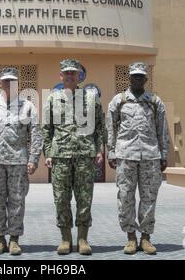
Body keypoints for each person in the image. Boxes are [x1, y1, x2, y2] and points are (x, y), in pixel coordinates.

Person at [0, 67, 42, 255]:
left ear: (17, 83)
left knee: (17, 201)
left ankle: (14, 239)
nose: (8, 84)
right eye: (5, 81)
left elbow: (36, 133)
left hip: (18, 161)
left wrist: (34, 159)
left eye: (12, 81)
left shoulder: (27, 106)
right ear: (1, 83)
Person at [106, 62, 170, 255]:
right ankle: (131, 237)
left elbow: (162, 130)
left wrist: (164, 154)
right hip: (125, 155)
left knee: (149, 198)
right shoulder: (119, 101)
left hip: (150, 156)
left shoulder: (154, 101)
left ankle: (146, 238)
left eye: (141, 76)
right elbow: (111, 128)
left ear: (146, 79)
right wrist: (111, 151)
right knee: (125, 197)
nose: (138, 79)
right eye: (135, 76)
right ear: (129, 78)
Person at [42, 59, 104, 255]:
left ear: (79, 76)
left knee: (84, 198)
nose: (70, 76)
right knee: (61, 198)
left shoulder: (91, 98)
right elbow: (47, 128)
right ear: (60, 76)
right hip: (60, 156)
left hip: (85, 155)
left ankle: (83, 238)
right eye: (66, 73)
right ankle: (65, 239)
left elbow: (100, 127)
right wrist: (48, 152)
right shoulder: (53, 99)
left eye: (73, 73)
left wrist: (100, 149)